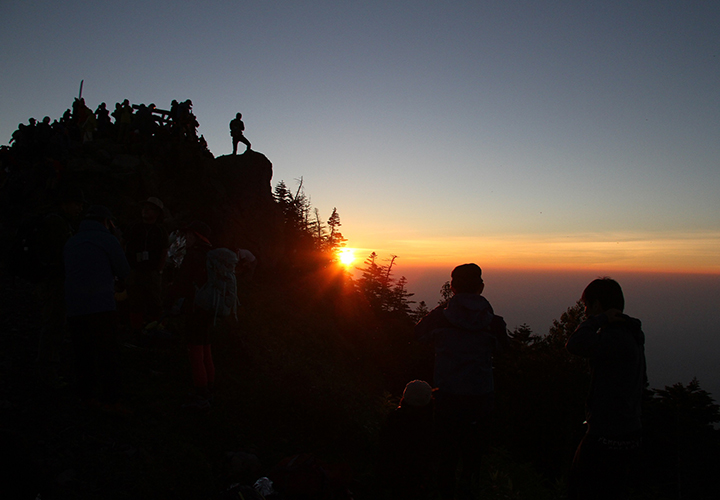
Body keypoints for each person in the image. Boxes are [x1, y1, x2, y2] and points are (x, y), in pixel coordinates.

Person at [415, 263, 508, 500]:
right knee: (473, 461)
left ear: (452, 287)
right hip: (481, 399)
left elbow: (417, 336)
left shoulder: (439, 318)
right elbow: (506, 352)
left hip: (446, 396)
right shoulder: (494, 323)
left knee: (446, 459)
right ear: (481, 287)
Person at [565, 278, 647, 500]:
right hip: (629, 430)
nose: (584, 313)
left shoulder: (615, 337)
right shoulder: (631, 333)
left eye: (587, 306)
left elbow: (575, 344)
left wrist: (598, 320)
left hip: (608, 434)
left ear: (597, 305)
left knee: (583, 489)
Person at [64, 205, 130, 411]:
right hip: (102, 306)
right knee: (107, 354)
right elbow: (124, 272)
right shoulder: (108, 240)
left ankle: (87, 398)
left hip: (75, 307)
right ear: (106, 222)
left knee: (83, 354)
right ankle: (112, 400)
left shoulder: (71, 242)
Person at [35, 185, 85, 388]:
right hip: (54, 281)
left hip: (50, 279)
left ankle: (47, 369)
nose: (79, 208)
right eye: (77, 204)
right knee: (54, 323)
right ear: (66, 204)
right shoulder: (58, 224)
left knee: (52, 323)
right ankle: (47, 372)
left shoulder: (54, 221)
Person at [166, 221, 215, 410]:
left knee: (195, 351)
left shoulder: (193, 255)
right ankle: (209, 388)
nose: (186, 238)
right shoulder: (209, 254)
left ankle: (201, 395)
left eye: (188, 235)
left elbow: (182, 283)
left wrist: (169, 302)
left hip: (195, 309)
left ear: (195, 236)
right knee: (206, 349)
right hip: (208, 309)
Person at [378, 380, 436, 500]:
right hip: (419, 480)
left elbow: (383, 449)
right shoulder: (429, 424)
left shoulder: (394, 419)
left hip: (396, 477)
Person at [124, 197, 169, 334]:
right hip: (134, 270)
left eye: (150, 208)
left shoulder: (160, 231)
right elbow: (124, 245)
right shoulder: (133, 227)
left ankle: (157, 329)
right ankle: (135, 330)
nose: (145, 210)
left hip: (151, 272)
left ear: (157, 213)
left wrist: (159, 271)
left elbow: (164, 251)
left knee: (155, 301)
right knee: (134, 301)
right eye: (144, 208)